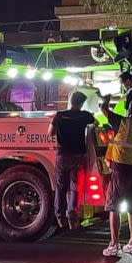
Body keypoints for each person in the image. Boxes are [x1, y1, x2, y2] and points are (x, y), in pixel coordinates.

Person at [100, 94, 132, 256]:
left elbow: (103, 110)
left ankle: (114, 245)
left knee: (114, 207)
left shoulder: (122, 122)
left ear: (129, 111)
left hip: (120, 170)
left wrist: (105, 100)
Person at [48, 91, 96, 229]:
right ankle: (72, 217)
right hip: (78, 156)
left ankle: (60, 218)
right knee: (75, 188)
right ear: (81, 103)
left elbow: (50, 132)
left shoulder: (60, 115)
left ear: (71, 101)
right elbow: (96, 122)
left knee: (60, 187)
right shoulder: (84, 115)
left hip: (62, 156)